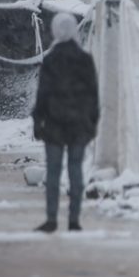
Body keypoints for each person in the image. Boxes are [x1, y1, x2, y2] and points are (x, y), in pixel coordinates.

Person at [32, 12, 99, 233]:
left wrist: (37, 121)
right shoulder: (85, 59)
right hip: (78, 124)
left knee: (53, 172)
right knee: (75, 171)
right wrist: (92, 122)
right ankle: (74, 220)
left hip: (54, 124)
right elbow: (92, 94)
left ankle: (51, 219)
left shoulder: (50, 60)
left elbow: (43, 94)